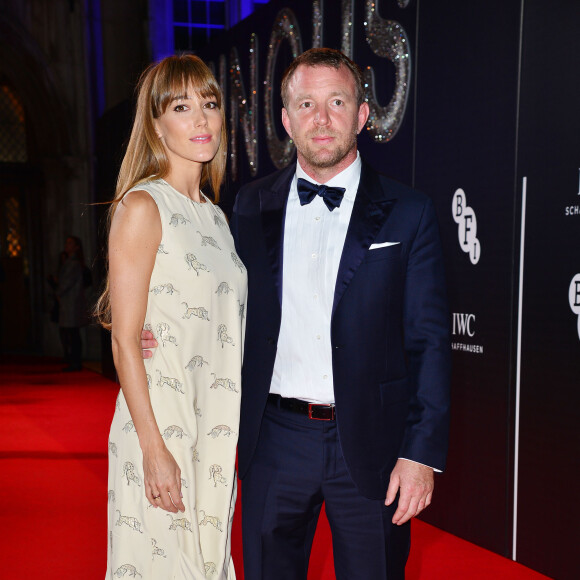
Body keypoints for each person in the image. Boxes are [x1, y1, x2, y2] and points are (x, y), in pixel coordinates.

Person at [141, 48, 450, 579]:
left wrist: (421, 455)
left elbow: (429, 342)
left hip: (373, 447)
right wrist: (156, 331)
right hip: (273, 441)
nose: (321, 118)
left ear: (362, 114)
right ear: (286, 120)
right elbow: (212, 295)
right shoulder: (246, 205)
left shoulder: (410, 212)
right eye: (306, 104)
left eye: (337, 101)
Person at [97, 54, 247, 579]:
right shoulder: (143, 206)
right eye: (182, 107)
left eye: (209, 104)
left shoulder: (217, 218)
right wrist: (154, 449)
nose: (202, 119)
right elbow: (124, 339)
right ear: (156, 124)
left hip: (215, 428)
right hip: (162, 423)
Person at [57, 236, 88, 371]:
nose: (66, 245)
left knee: (73, 333)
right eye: (66, 242)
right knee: (71, 332)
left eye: (70, 243)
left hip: (71, 302)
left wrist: (58, 293)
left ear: (76, 247)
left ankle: (76, 362)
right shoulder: (69, 261)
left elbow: (67, 282)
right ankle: (73, 361)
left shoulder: (74, 263)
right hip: (69, 302)